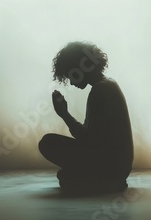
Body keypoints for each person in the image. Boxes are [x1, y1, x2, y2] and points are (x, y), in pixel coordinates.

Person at [38, 41, 134, 194]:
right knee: (65, 176)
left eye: (70, 74)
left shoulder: (100, 90)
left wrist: (64, 114)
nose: (70, 81)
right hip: (120, 166)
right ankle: (98, 180)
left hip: (112, 166)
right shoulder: (107, 84)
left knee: (47, 143)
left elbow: (88, 140)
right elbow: (92, 138)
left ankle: (105, 181)